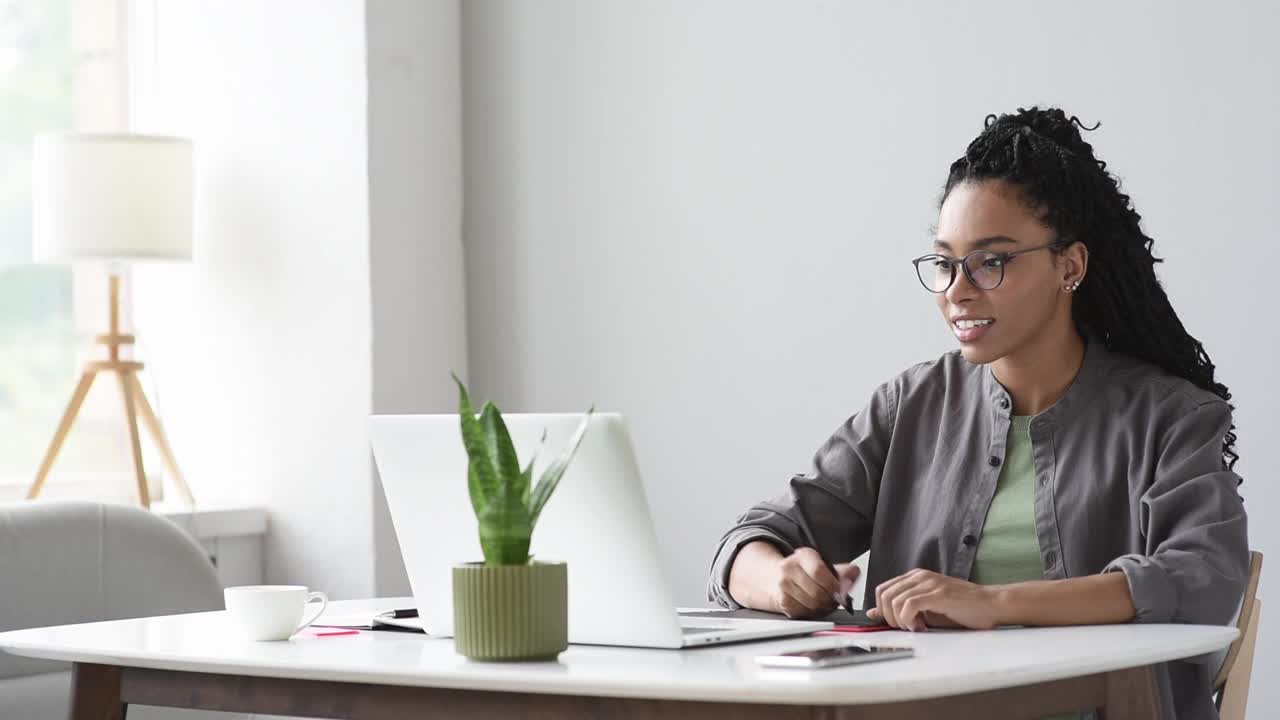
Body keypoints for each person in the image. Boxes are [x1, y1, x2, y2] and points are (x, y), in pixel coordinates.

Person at [707, 107, 1249, 720]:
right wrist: (776, 580)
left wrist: (996, 603)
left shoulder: (1170, 417)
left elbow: (1205, 577)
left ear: (1069, 266)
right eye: (944, 263)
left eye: (991, 261)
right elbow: (752, 541)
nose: (957, 290)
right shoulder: (910, 405)